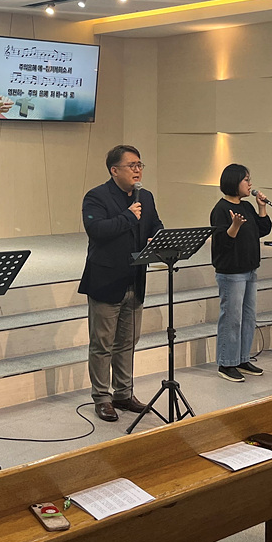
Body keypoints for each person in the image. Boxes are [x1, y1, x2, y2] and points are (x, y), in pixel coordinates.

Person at [79, 144, 163, 422]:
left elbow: (155, 223)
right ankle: (102, 398)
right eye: (131, 165)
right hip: (106, 280)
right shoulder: (96, 196)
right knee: (102, 344)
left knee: (127, 342)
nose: (137, 170)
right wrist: (128, 217)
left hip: (135, 279)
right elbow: (96, 230)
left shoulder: (145, 196)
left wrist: (157, 235)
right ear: (114, 170)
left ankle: (124, 393)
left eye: (140, 165)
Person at [209, 164, 272, 382]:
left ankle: (242, 358)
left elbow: (262, 230)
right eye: (246, 179)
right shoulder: (220, 209)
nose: (250, 183)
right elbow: (222, 243)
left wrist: (262, 208)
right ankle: (226, 362)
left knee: (248, 317)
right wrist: (234, 225)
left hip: (250, 268)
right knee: (232, 319)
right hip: (231, 272)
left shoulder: (246, 206)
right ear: (234, 182)